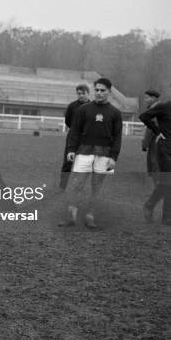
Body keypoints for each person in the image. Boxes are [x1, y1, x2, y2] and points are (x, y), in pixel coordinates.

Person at [60, 77, 123, 229]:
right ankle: (71, 217)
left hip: (105, 155)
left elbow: (118, 138)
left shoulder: (115, 113)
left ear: (109, 92)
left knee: (97, 188)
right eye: (97, 90)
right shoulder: (84, 109)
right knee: (76, 185)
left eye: (102, 90)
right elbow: (74, 131)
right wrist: (71, 150)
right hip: (84, 152)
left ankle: (90, 217)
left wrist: (114, 157)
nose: (99, 93)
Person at [140, 95, 171, 226]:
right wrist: (158, 131)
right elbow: (144, 116)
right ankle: (153, 208)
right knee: (168, 180)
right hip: (165, 148)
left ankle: (165, 216)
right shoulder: (164, 106)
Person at [59, 84, 90, 190]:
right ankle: (62, 186)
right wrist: (74, 130)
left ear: (88, 93)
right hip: (72, 138)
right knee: (67, 163)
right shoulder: (72, 106)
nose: (81, 95)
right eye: (79, 93)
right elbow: (67, 121)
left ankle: (77, 188)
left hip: (86, 140)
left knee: (82, 164)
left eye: (83, 93)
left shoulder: (93, 106)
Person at [141, 90, 162, 222]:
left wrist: (145, 144)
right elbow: (150, 129)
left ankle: (150, 205)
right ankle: (150, 205)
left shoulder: (156, 109)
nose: (145, 100)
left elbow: (150, 129)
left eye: (147, 98)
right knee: (162, 179)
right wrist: (146, 143)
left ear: (154, 98)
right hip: (159, 147)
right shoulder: (158, 109)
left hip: (159, 147)